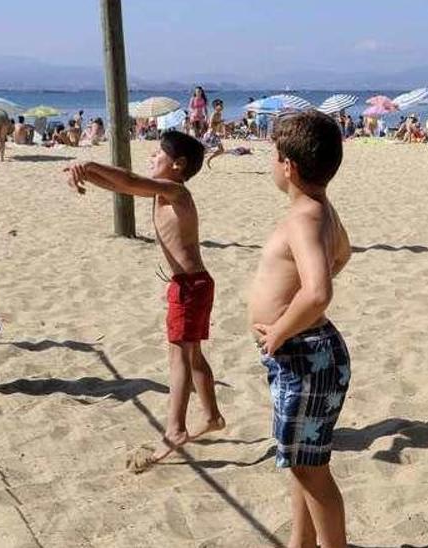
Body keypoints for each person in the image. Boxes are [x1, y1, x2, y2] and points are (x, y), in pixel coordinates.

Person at [63, 132, 225, 469]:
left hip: (190, 286)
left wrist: (91, 163)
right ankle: (211, 416)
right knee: (193, 355)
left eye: (158, 154)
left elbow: (131, 179)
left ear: (177, 165)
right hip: (192, 284)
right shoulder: (162, 190)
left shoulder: (176, 190)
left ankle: (175, 429)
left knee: (179, 357)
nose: (151, 157)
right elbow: (124, 186)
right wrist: (84, 174)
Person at [248, 111, 351, 548]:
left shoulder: (302, 218)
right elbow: (342, 253)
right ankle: (301, 541)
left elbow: (318, 291)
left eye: (273, 156)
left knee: (311, 469)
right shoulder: (319, 209)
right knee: (300, 459)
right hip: (306, 353)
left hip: (304, 354)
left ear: (287, 165)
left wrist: (279, 331)